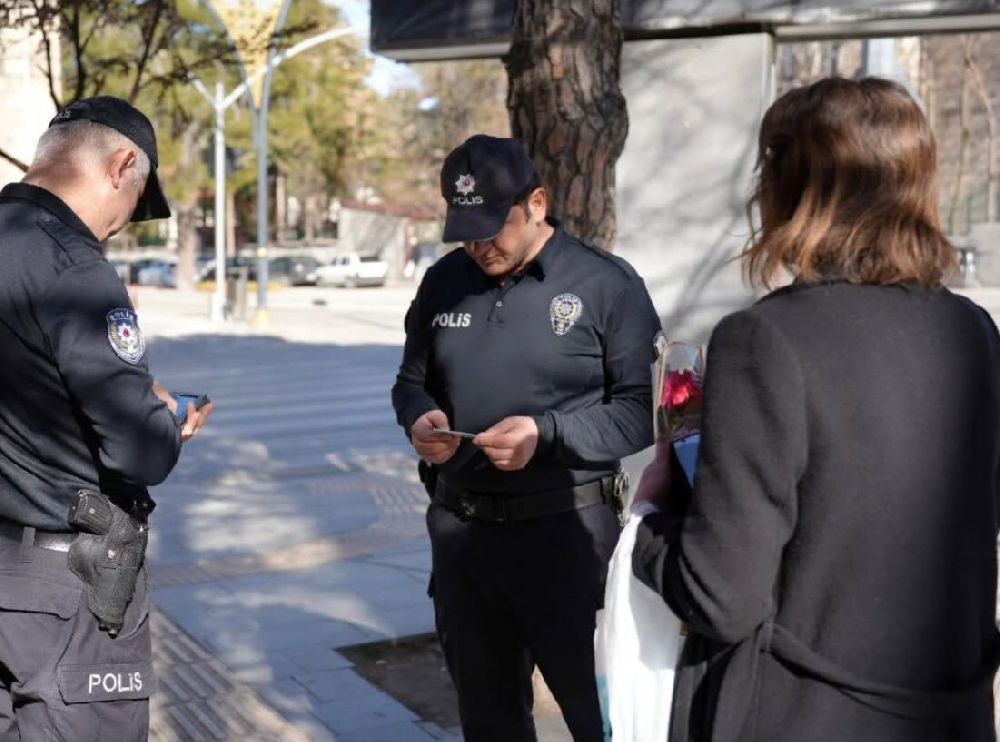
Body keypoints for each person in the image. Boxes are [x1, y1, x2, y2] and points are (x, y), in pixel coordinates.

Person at [632, 77, 1000, 742]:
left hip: (801, 714)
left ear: (788, 188)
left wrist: (649, 524)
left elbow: (721, 597)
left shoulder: (765, 340)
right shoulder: (974, 332)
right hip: (952, 713)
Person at [392, 134, 661, 741]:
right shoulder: (443, 282)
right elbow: (411, 382)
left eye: (493, 227)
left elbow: (641, 414)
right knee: (488, 725)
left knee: (604, 724)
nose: (479, 245)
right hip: (464, 545)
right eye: (465, 229)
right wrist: (420, 419)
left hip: (568, 544)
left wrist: (546, 434)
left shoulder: (606, 285)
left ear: (536, 203)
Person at [0, 96, 211, 740]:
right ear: (122, 165)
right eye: (132, 208)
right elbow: (141, 455)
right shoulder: (75, 267)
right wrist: (163, 417)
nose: (120, 228)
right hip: (64, 589)